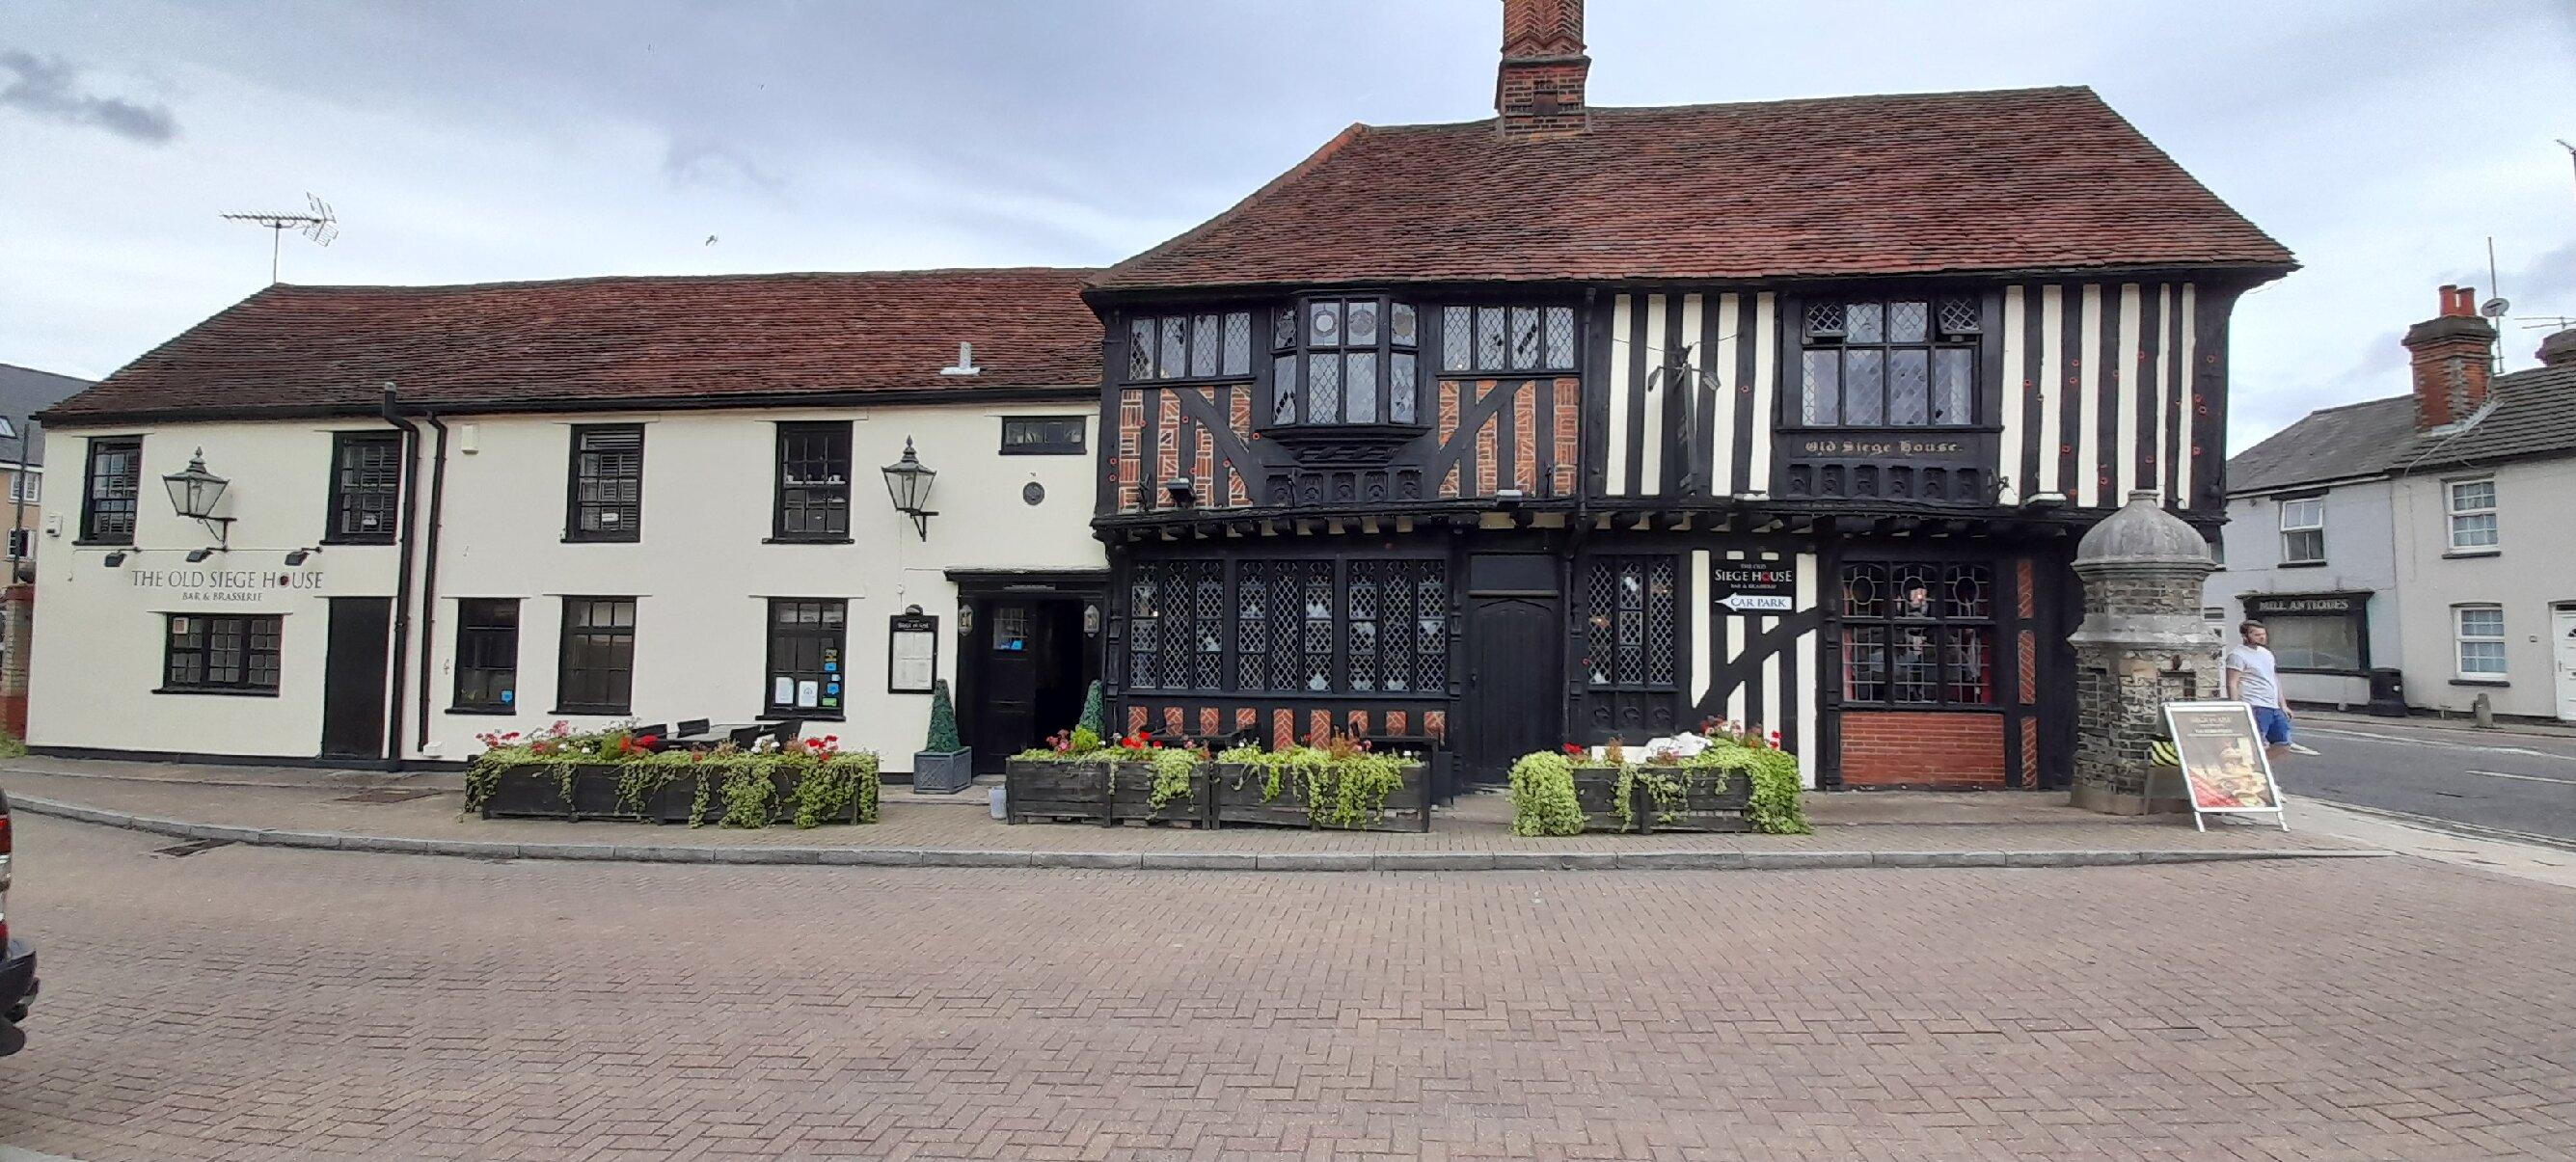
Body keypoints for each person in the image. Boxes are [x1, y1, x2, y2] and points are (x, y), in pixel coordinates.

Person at [2225, 620, 2293, 764]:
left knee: (2284, 743)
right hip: (2254, 704)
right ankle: (2251, 772)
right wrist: (2236, 707)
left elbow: (2273, 679)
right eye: (2256, 635)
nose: (2262, 637)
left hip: (2272, 705)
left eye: (2263, 634)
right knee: (2255, 743)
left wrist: (2283, 705)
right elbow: (2232, 682)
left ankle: (2257, 765)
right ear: (2245, 636)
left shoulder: (2267, 654)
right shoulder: (2237, 655)